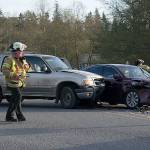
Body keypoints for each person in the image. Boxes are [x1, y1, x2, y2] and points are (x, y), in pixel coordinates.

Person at [2, 42, 30, 122]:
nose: (22, 53)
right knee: (18, 97)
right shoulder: (9, 59)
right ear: (16, 51)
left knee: (14, 100)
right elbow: (4, 70)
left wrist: (24, 63)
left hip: (19, 83)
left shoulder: (21, 59)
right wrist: (14, 75)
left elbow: (27, 69)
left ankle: (16, 116)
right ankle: (12, 115)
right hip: (12, 83)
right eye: (21, 51)